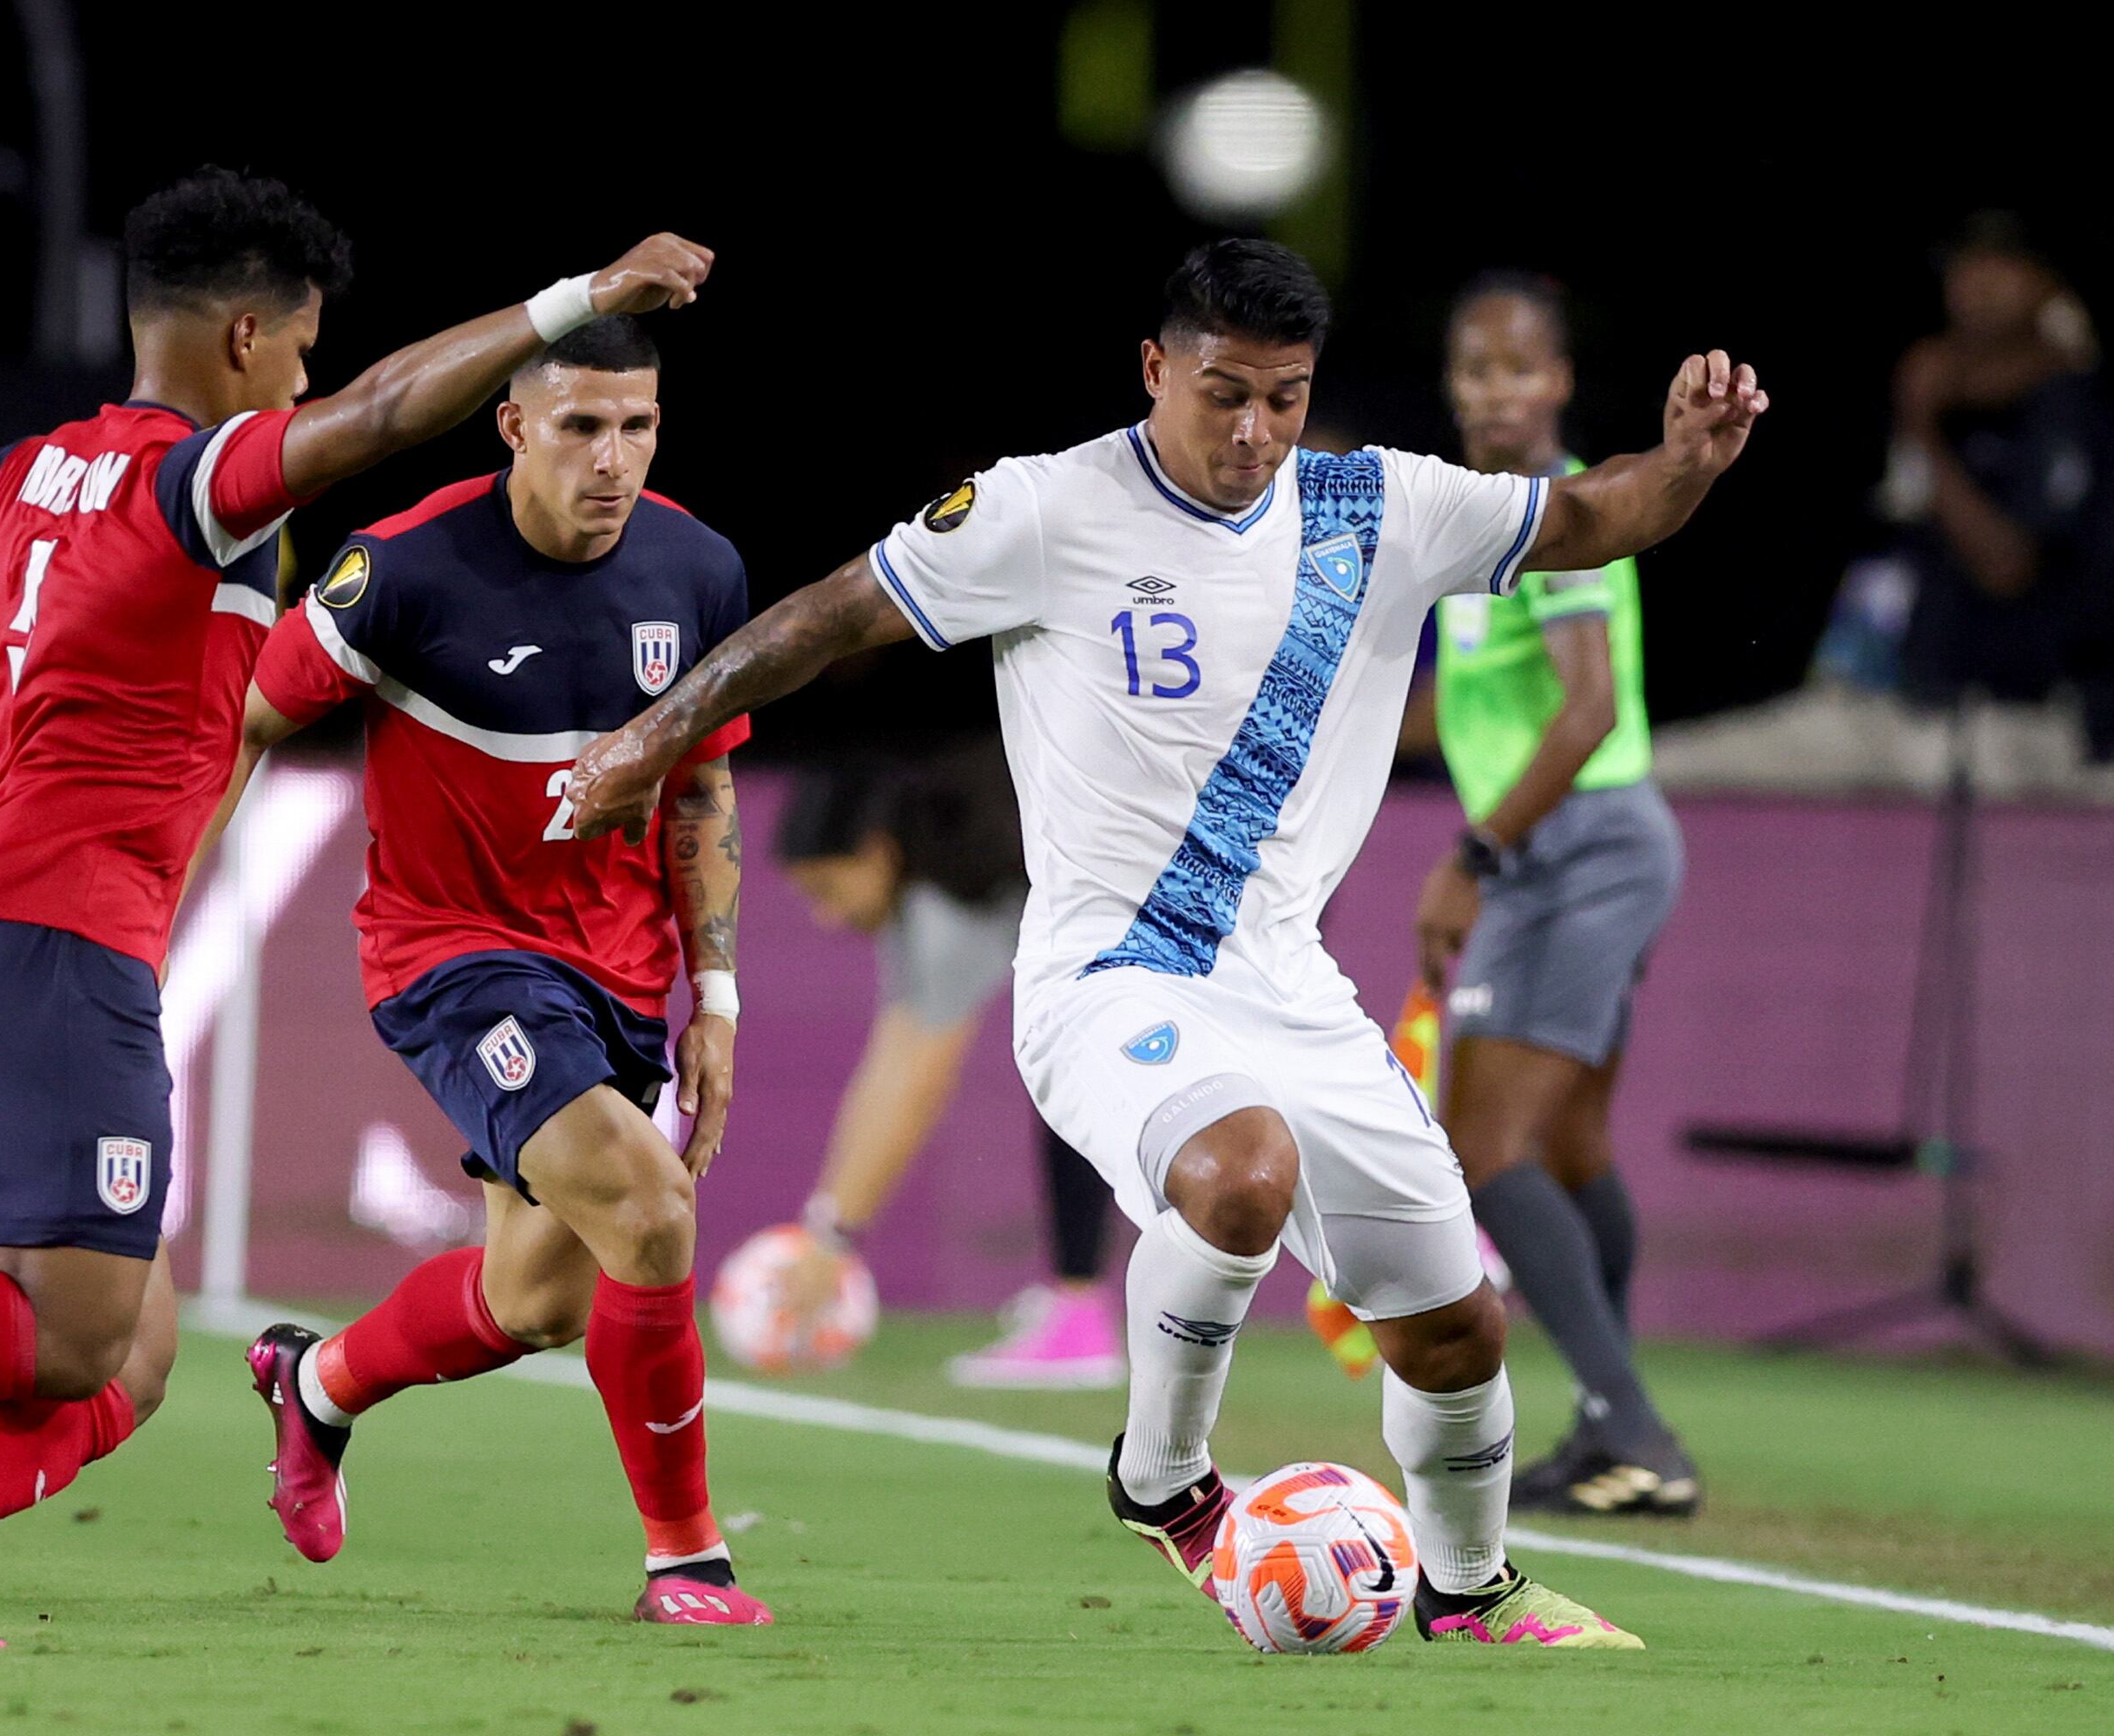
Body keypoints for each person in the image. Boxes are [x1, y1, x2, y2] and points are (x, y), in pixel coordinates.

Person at [0, 165, 713, 1644]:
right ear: (247, 340)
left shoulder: (17, 476)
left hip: (1, 935)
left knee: (130, 1368)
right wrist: (581, 298)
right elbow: (378, 416)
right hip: (58, 939)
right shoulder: (203, 483)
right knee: (72, 1338)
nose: (305, 379)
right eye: (298, 349)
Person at [569, 239, 1765, 1649]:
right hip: (1105, 982)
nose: (1254, 433)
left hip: (1295, 994)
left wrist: (1688, 461)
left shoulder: (1377, 507)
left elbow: (1591, 519)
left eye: (1284, 398)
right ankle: (1163, 1476)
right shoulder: (1042, 509)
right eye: (1223, 395)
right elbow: (829, 620)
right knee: (1239, 1170)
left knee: (1458, 1332)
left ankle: (1469, 1589)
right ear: (1155, 369)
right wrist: (650, 743)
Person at [219, 315, 768, 1626]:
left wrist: (719, 996)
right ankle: (687, 1559)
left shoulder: (697, 568)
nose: (612, 459)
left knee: (533, 1304)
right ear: (514, 424)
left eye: (636, 426)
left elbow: (701, 789)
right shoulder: (401, 570)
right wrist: (149, 908)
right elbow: (243, 715)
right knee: (648, 1210)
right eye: (581, 426)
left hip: (622, 976)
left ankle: (322, 1385)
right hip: (453, 959)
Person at [1414, 273, 1696, 1516]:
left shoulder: (1568, 514)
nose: (1494, 392)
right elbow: (1471, 708)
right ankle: (1608, 1429)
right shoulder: (1490, 529)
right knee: (1571, 1146)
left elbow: (1586, 711)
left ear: (1562, 383)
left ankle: (1635, 1432)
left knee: (1481, 1149)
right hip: (1570, 852)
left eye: (1518, 368)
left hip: (1577, 852)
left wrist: (1472, 860)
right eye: (1475, 370)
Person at [776, 744, 1123, 1388]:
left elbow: (918, 1080)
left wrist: (833, 1240)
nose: (826, 917)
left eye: (826, 888)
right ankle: (1079, 1308)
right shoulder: (925, 870)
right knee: (1077, 1069)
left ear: (876, 852)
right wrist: (824, 1226)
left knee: (1076, 1074)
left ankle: (1081, 1318)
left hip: (1203, 880)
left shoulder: (954, 885)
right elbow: (891, 1057)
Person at [1887, 213, 2111, 753]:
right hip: (1932, 693)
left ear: (2045, 282)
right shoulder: (1944, 389)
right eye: (1966, 267)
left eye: (2000, 266)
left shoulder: (2070, 399)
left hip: (2042, 713)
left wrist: (1921, 427)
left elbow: (2006, 564)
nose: (1978, 286)